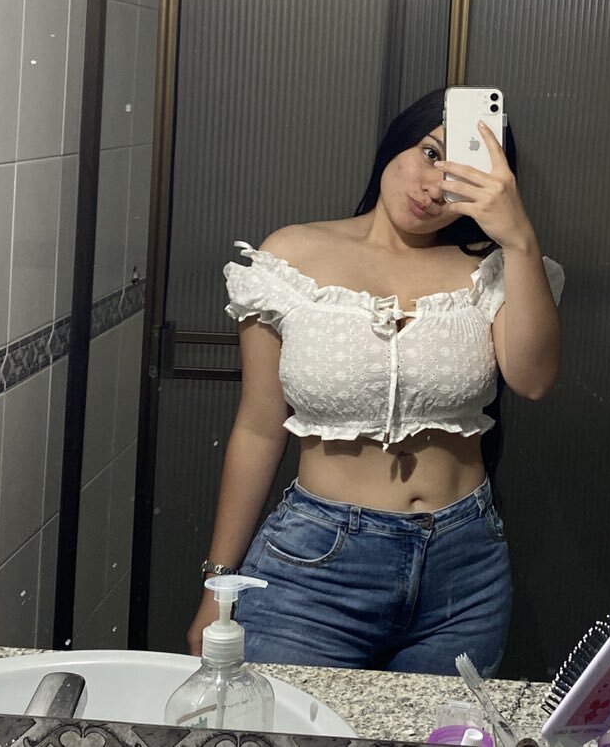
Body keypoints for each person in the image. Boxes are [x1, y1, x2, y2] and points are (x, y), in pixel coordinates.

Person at [187, 88, 564, 676]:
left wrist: (520, 239)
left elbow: (534, 380)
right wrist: (218, 583)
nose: (434, 187)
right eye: (430, 154)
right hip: (314, 568)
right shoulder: (291, 257)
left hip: (463, 573)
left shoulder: (491, 270)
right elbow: (259, 427)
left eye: (462, 174)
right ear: (395, 143)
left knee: (441, 727)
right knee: (286, 723)